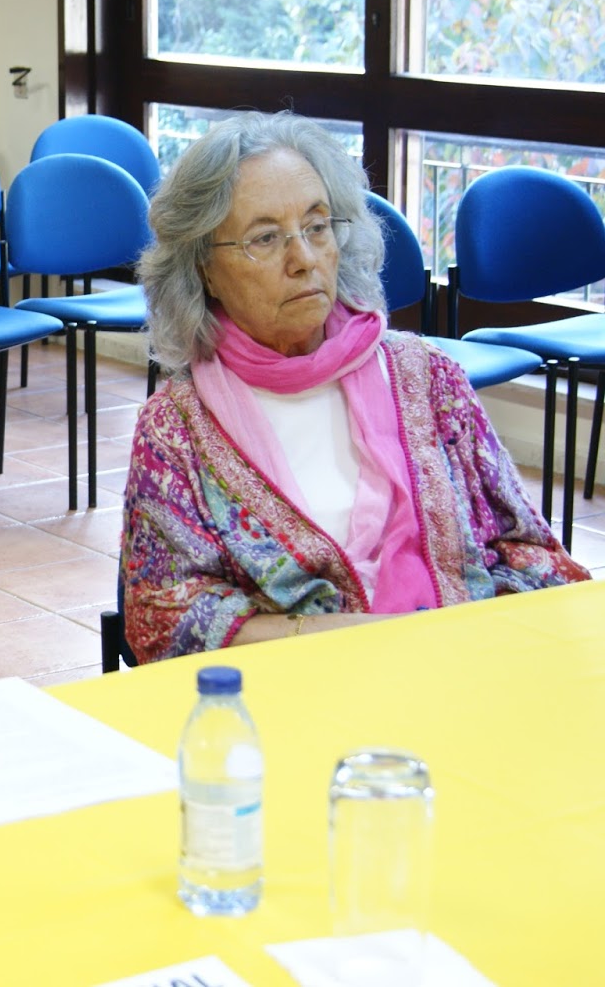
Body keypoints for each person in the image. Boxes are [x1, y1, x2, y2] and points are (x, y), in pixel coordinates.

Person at [123, 110, 587, 663]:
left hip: (462, 668)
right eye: (265, 238)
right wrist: (358, 639)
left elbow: (531, 553)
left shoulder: (428, 377)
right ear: (204, 270)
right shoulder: (178, 429)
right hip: (297, 689)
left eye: (317, 227)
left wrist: (474, 640)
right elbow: (164, 617)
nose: (304, 259)